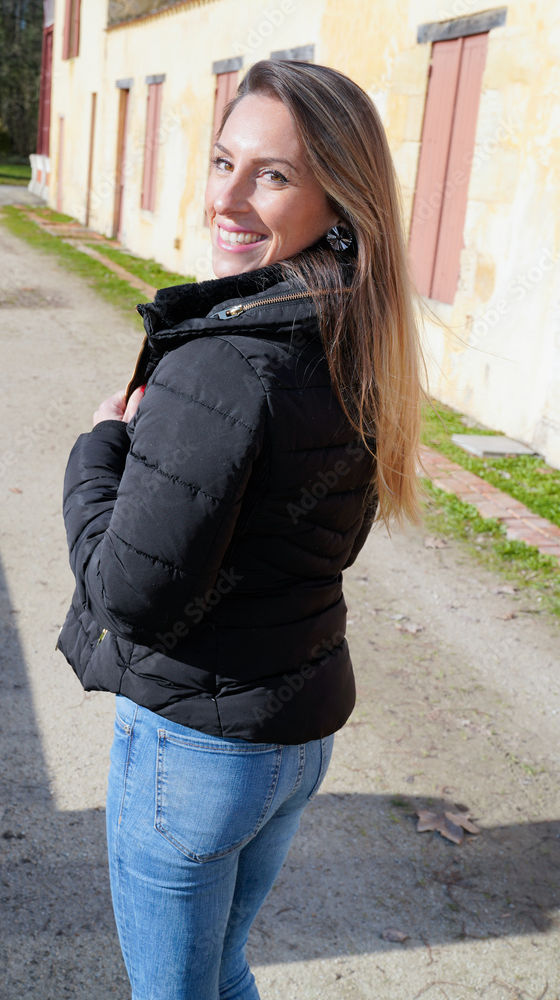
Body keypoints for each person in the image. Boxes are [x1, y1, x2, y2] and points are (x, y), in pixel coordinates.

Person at [58, 59, 421, 1000]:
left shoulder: (222, 363)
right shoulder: (353, 334)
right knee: (221, 974)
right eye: (224, 161)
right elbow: (320, 543)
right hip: (291, 742)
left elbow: (131, 597)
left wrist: (97, 452)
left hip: (196, 749)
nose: (228, 196)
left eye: (272, 175)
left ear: (335, 199)